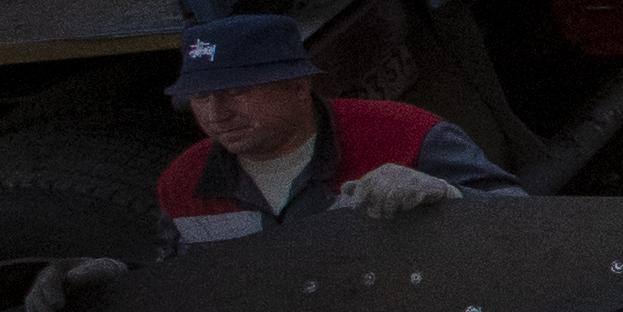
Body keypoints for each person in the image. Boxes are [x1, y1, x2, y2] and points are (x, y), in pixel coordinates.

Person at [155, 15, 523, 247]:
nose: (217, 115)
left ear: (299, 86)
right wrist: (119, 284)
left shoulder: (407, 135)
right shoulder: (182, 183)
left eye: (238, 92)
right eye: (201, 97)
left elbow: (525, 216)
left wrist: (448, 195)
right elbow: (176, 288)